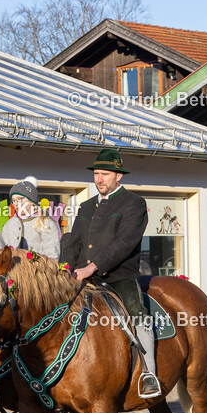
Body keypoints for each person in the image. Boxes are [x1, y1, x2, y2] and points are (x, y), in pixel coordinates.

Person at [59, 149, 161, 398]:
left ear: (118, 176)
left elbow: (124, 243)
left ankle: (149, 373)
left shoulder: (134, 204)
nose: (99, 179)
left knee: (138, 314)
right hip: (83, 277)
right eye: (96, 174)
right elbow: (73, 242)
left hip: (119, 277)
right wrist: (62, 270)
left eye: (104, 174)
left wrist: (92, 266)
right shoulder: (85, 206)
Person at [0, 176, 61, 259]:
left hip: (38, 270)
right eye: (13, 200)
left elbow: (53, 256)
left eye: (20, 199)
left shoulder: (46, 222)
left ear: (31, 201)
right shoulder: (9, 224)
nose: (16, 203)